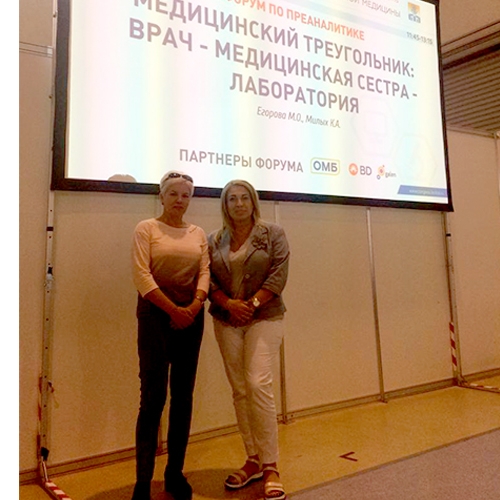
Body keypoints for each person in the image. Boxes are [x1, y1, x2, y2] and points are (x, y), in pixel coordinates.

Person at [208, 180, 290, 500]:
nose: (239, 204)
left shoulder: (273, 233)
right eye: (233, 199)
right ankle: (253, 459)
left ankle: (271, 465)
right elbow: (209, 280)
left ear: (253, 202)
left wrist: (251, 304)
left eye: (245, 198)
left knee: (257, 384)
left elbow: (278, 275)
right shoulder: (214, 240)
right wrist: (229, 305)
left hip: (265, 316)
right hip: (226, 319)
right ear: (225, 205)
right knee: (240, 390)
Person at [130, 171, 209, 500]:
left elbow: (204, 272)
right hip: (155, 317)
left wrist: (193, 306)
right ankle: (142, 484)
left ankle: (174, 474)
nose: (179, 200)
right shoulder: (146, 228)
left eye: (186, 195)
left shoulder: (198, 233)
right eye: (173, 194)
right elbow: (141, 275)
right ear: (161, 196)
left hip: (191, 317)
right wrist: (173, 310)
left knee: (183, 398)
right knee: (152, 400)